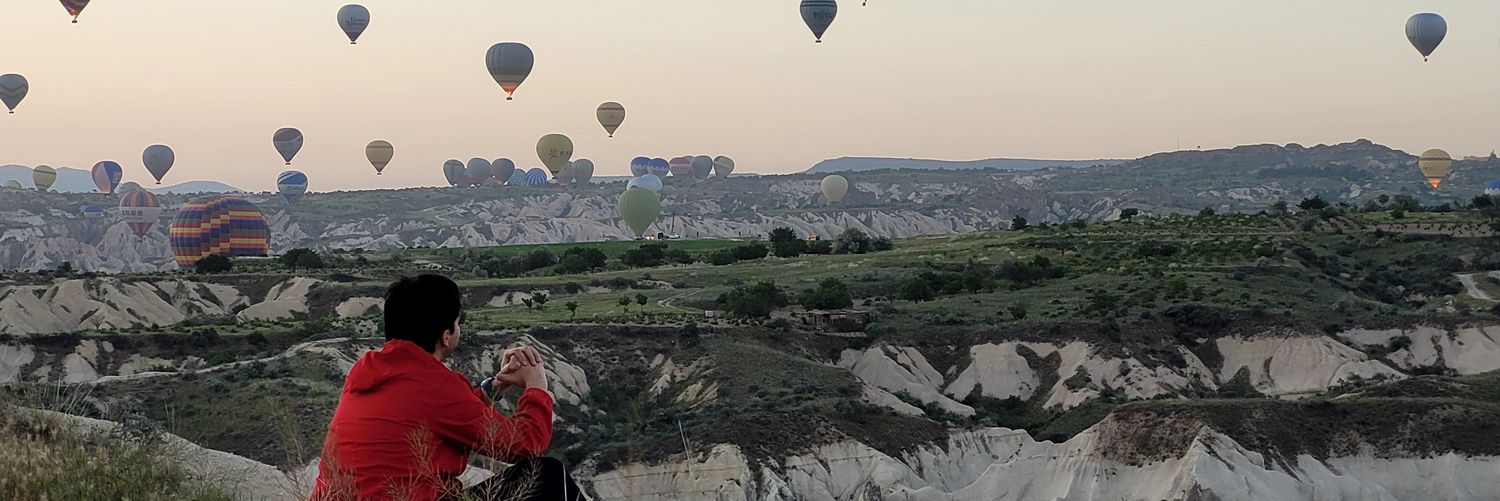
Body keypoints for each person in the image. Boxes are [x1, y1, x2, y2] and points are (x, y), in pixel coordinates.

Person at [311, 274, 583, 500]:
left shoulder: (367, 372)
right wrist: (537, 387)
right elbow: (524, 445)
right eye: (457, 323)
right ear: (446, 335)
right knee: (549, 476)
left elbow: (440, 415)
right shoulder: (432, 383)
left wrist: (495, 386)